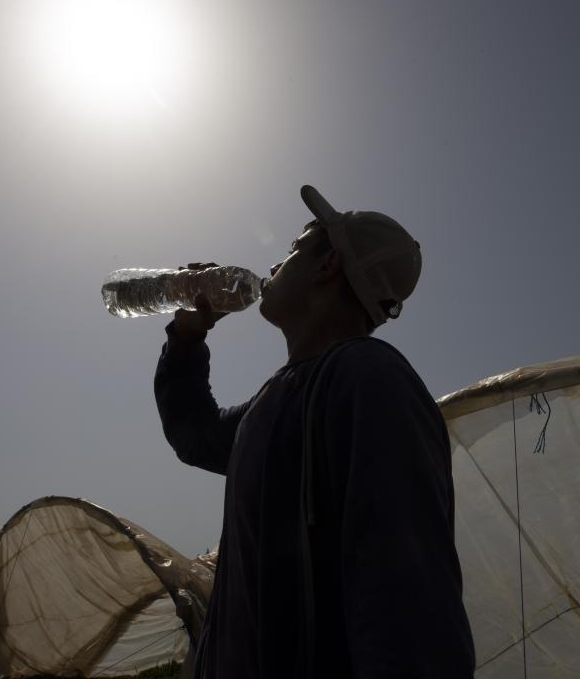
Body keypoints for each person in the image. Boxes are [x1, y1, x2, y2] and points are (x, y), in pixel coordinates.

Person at [154, 185, 475, 678]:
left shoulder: (369, 381)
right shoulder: (279, 400)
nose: (276, 265)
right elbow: (194, 435)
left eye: (293, 250)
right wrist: (186, 337)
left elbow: (410, 607)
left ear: (327, 267)